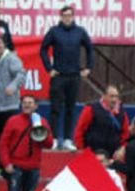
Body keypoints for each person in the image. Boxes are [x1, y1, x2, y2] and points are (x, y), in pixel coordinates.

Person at [40, 5, 93, 151]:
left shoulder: (80, 32)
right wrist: (49, 69)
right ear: (60, 17)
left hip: (74, 75)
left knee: (71, 108)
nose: (67, 18)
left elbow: (89, 48)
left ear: (73, 16)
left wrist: (88, 67)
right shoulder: (54, 31)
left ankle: (68, 139)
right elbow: (43, 49)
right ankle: (54, 139)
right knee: (55, 108)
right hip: (58, 76)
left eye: (69, 15)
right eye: (64, 16)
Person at [0, 94, 52, 191]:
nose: (27, 105)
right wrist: (6, 163)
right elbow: (2, 144)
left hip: (33, 167)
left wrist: (40, 131)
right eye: (25, 102)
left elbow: (49, 144)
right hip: (16, 166)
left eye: (30, 103)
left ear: (36, 106)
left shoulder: (42, 121)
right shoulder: (13, 121)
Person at [0, 35, 25, 171]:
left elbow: (21, 74)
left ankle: (13, 165)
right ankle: (0, 166)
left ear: (4, 44)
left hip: (10, 106)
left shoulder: (11, 58)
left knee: (11, 137)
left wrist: (12, 86)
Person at [74, 84, 128, 158]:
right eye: (111, 96)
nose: (114, 99)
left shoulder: (122, 113)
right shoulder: (91, 109)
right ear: (104, 96)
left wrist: (122, 149)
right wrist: (80, 148)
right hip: (92, 154)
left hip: (112, 156)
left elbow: (125, 134)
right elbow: (80, 129)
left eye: (116, 96)